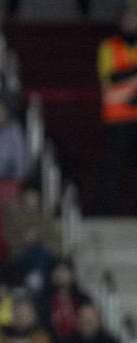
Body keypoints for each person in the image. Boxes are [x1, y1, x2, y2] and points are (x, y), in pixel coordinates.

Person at [98, 5, 137, 215]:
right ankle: (106, 210)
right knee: (113, 168)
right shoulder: (109, 47)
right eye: (129, 19)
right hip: (118, 117)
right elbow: (111, 77)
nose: (132, 23)